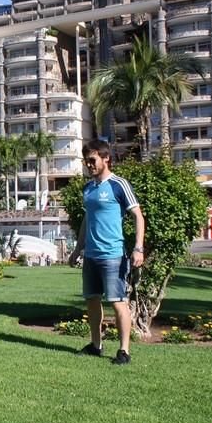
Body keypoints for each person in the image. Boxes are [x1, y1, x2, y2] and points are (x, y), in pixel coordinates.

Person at [68, 140, 144, 365]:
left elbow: (138, 216)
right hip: (91, 255)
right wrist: (77, 249)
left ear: (106, 158)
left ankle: (124, 351)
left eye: (92, 160)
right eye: (86, 161)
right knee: (92, 300)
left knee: (118, 302)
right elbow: (86, 220)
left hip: (113, 255)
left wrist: (138, 248)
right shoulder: (88, 188)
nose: (89, 165)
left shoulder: (118, 184)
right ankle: (95, 345)